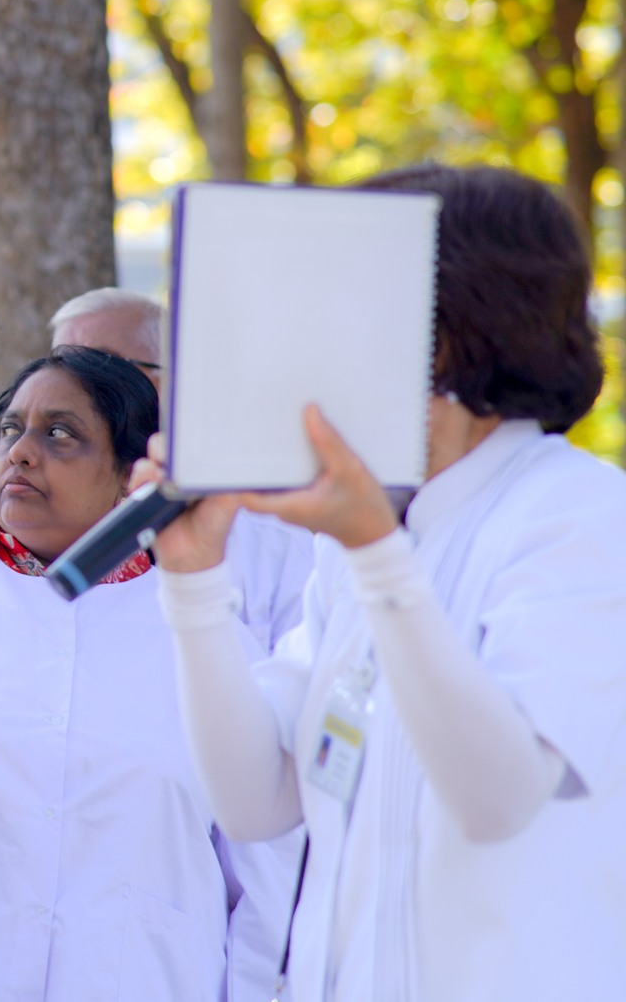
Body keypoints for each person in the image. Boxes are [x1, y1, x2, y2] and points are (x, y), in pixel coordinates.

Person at [144, 164, 626, 1002]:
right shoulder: (374, 540)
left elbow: (500, 798)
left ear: (444, 332)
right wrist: (195, 584)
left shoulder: (581, 516)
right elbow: (257, 800)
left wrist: (374, 552)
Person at [0, 346, 294, 1002]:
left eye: (61, 433)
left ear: (131, 474)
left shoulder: (211, 643)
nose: (23, 452)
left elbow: (265, 885)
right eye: (12, 429)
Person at [51, 285, 312, 650]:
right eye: (62, 366)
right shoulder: (32, 531)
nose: (70, 390)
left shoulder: (274, 541)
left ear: (176, 380)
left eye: (102, 367)